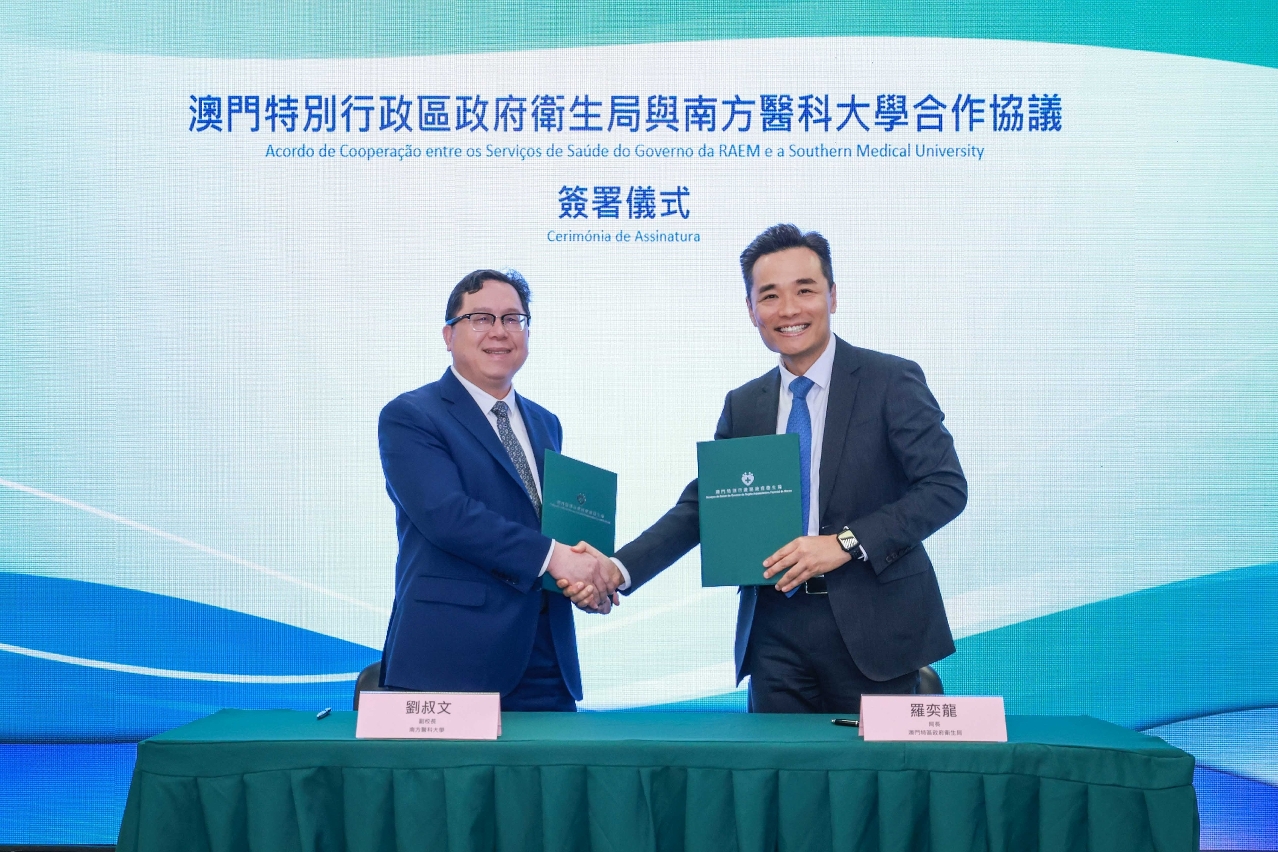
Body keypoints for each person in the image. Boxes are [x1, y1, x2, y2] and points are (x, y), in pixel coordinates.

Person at [567, 225, 966, 713]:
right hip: (775, 631)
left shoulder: (890, 380)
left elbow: (944, 487)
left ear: (832, 296)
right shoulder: (745, 404)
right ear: (752, 310)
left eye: (805, 290)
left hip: (876, 626)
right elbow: (702, 508)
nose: (789, 309)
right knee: (778, 764)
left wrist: (842, 543)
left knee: (869, 766)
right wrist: (618, 569)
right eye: (770, 296)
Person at [378, 269, 619, 712]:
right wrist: (557, 557)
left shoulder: (545, 422)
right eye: (481, 318)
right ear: (449, 335)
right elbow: (447, 516)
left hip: (547, 658)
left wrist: (588, 583)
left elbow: (553, 527)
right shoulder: (411, 415)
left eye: (513, 319)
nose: (499, 331)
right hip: (453, 658)